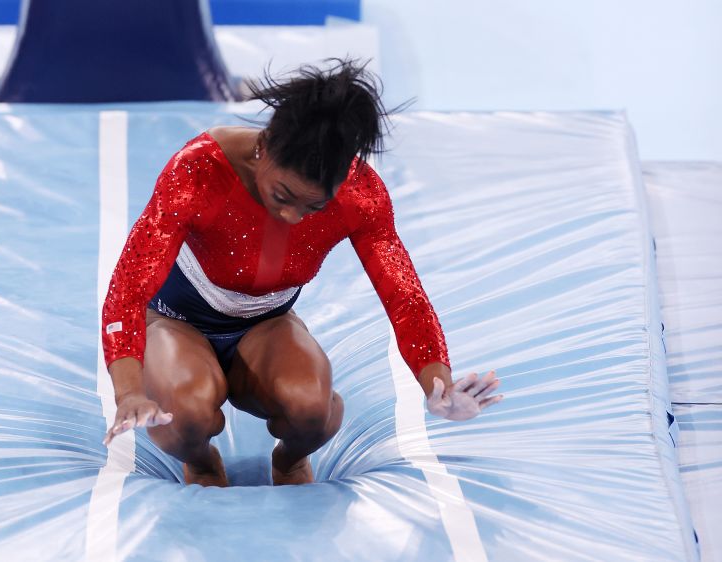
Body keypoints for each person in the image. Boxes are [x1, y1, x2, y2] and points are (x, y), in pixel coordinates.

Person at [100, 59, 503, 487]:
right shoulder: (198, 170)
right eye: (282, 195)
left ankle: (289, 460)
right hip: (176, 321)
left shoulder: (360, 195)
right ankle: (200, 461)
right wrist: (129, 391)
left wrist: (438, 384)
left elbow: (404, 295)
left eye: (315, 206)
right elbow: (128, 287)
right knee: (184, 414)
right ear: (265, 145)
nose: (292, 216)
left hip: (266, 326)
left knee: (311, 408)